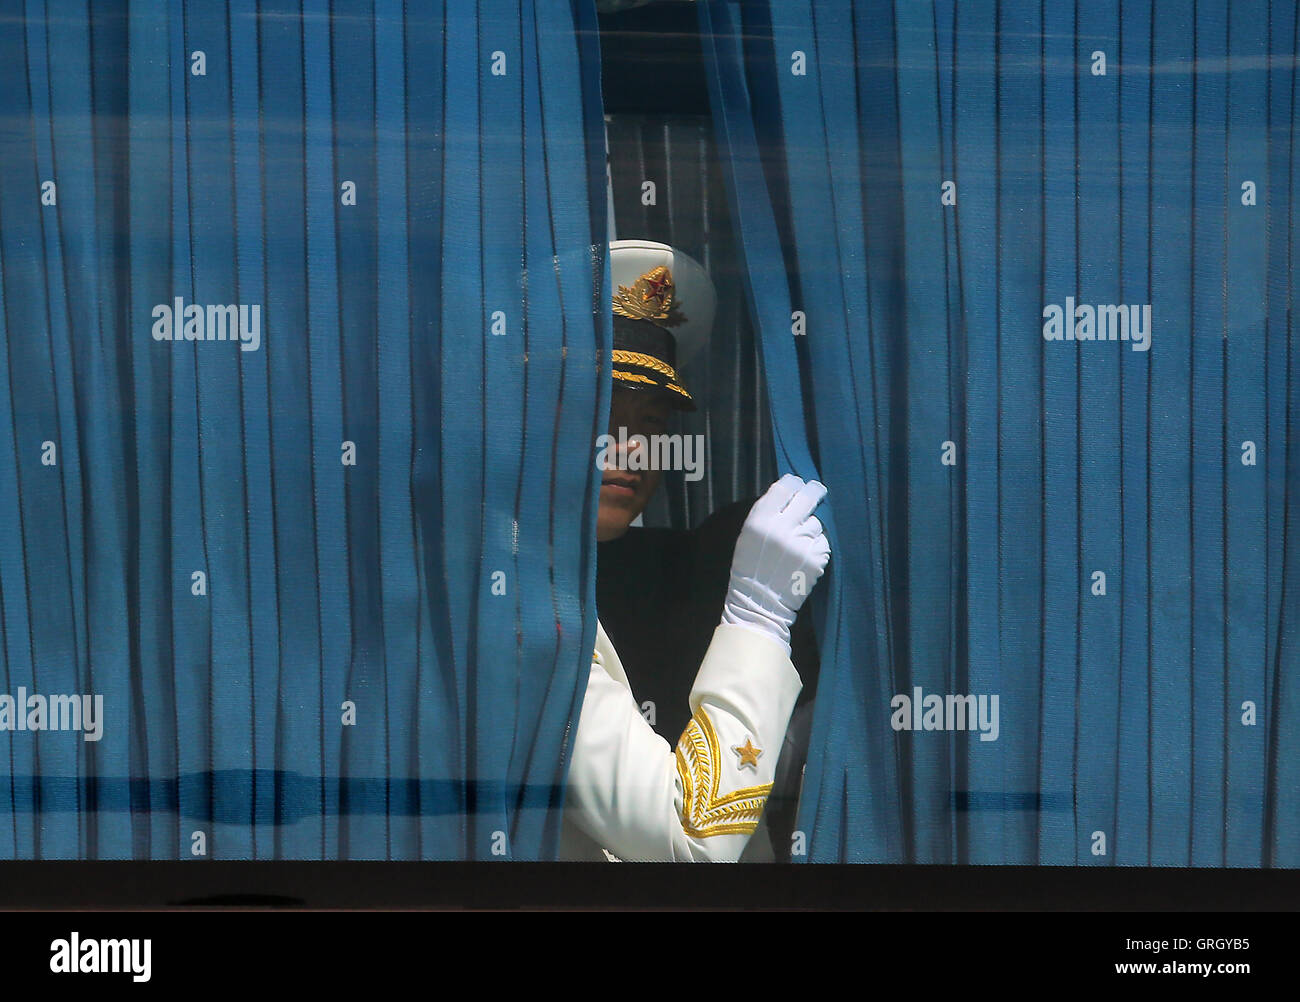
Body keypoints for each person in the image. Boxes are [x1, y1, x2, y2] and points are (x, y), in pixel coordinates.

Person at [559, 240, 830, 862]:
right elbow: (693, 840)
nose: (629, 448)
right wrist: (759, 616)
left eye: (651, 425)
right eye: (602, 417)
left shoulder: (676, 573)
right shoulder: (513, 600)